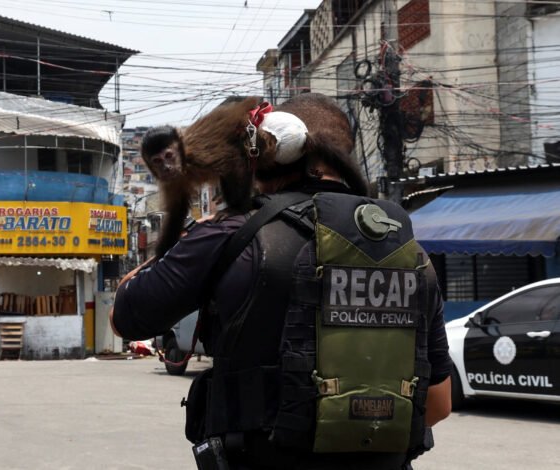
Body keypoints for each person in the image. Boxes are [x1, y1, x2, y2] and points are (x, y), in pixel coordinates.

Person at [111, 93, 452, 470]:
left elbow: (126, 317)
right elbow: (438, 403)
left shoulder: (232, 234)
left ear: (271, 150)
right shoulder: (408, 251)